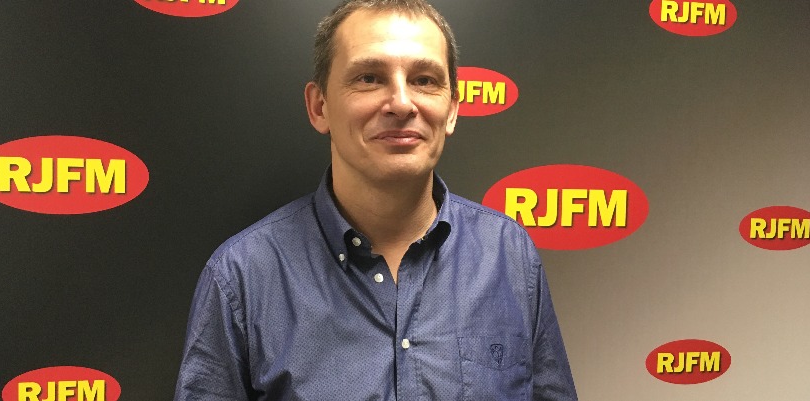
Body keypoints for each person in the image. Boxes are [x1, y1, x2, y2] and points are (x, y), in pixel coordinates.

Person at [174, 0, 577, 400]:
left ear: (453, 109)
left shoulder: (508, 255)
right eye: (369, 78)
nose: (401, 103)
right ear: (319, 106)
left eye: (424, 80)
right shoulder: (243, 277)